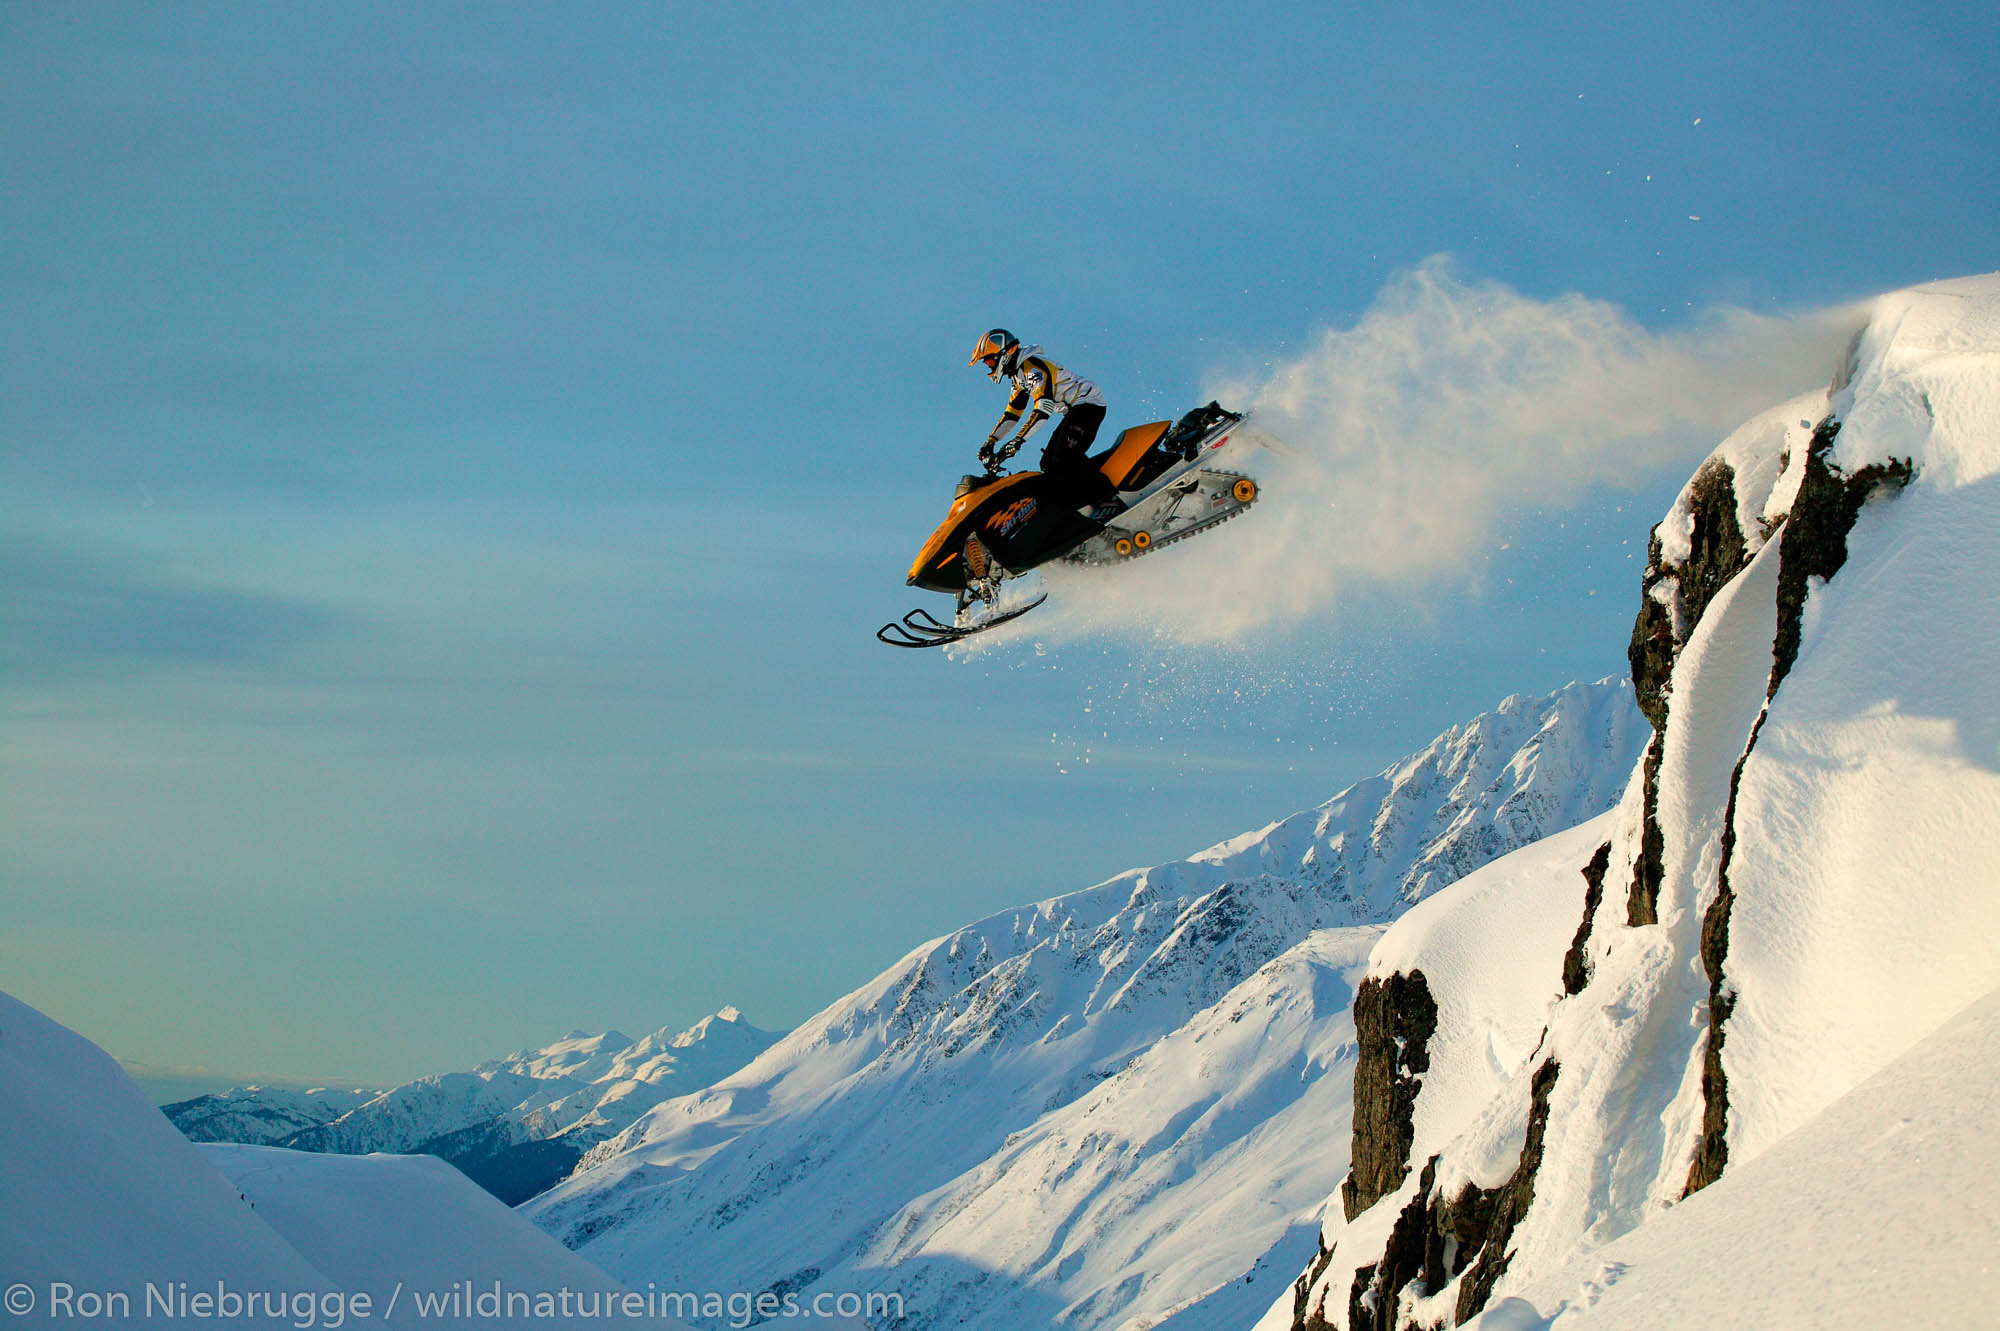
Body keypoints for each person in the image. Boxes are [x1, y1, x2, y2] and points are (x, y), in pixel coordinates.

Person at [969, 329, 1118, 514]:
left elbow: (1043, 409)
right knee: (1048, 463)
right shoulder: (1019, 375)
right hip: (1076, 410)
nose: (988, 365)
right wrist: (991, 442)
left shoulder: (1032, 368)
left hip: (1088, 405)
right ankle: (1084, 506)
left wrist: (1018, 441)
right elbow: (1012, 414)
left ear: (1003, 354)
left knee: (1063, 457)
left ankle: (1107, 499)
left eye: (989, 360)